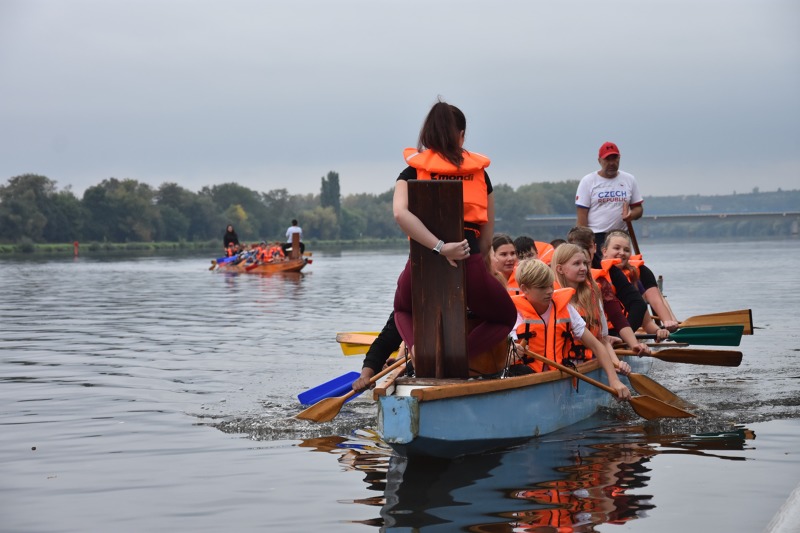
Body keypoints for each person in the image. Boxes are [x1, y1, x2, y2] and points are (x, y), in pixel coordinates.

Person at [392, 99, 517, 360]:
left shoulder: (412, 170)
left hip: (422, 261)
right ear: (461, 136)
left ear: (427, 134)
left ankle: (418, 352)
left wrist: (439, 247)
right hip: (467, 258)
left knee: (403, 309)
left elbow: (399, 213)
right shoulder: (479, 173)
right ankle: (457, 359)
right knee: (506, 317)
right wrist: (483, 265)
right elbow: (486, 233)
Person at [508, 258, 631, 400]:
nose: (549, 291)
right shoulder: (514, 313)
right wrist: (511, 354)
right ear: (524, 289)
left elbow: (597, 346)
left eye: (550, 286)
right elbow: (502, 358)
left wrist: (614, 380)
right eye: (542, 287)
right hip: (526, 376)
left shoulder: (565, 308)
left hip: (559, 374)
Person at [550, 243, 648, 370]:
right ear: (560, 269)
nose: (584, 268)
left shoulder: (593, 295)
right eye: (577, 264)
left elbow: (603, 340)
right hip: (560, 365)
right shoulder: (550, 297)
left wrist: (616, 363)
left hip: (590, 358)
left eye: (585, 263)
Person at [575, 142, 643, 259]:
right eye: (607, 159)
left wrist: (630, 215)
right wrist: (584, 244)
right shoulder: (588, 181)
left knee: (620, 271)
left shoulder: (629, 179)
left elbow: (638, 209)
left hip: (621, 235)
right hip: (596, 235)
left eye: (614, 158)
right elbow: (582, 217)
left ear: (619, 158)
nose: (611, 163)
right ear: (599, 161)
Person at [601, 230, 679, 331]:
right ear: (604, 251)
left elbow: (653, 305)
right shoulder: (592, 273)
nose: (622, 253)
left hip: (626, 328)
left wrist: (665, 325)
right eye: (616, 248)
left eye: (626, 250)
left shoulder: (638, 272)